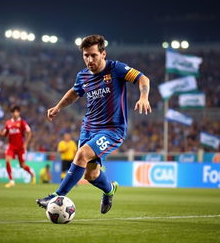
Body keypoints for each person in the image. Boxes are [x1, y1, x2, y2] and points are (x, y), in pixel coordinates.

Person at [36, 35, 151, 213]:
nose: (89, 60)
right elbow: (74, 93)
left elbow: (143, 79)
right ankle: (109, 189)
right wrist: (58, 106)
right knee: (91, 175)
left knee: (81, 154)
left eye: (93, 55)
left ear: (103, 54)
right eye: (86, 56)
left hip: (113, 129)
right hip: (89, 128)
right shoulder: (82, 76)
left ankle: (56, 196)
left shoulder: (116, 69)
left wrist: (144, 97)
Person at [0, 105, 36, 187]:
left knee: (22, 165)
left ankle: (32, 174)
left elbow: (29, 132)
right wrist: (0, 133)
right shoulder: (8, 123)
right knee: (7, 160)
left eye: (17, 112)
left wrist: (26, 143)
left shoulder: (22, 122)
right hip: (11, 146)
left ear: (19, 113)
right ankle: (11, 181)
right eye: (14, 112)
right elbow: (5, 134)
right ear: (12, 113)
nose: (16, 113)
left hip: (20, 147)